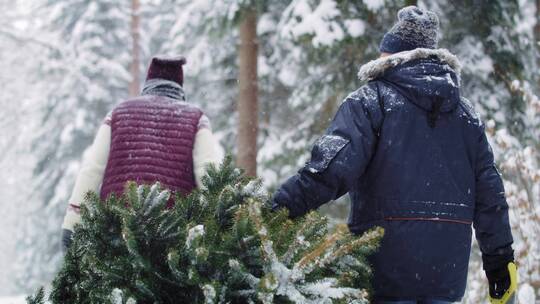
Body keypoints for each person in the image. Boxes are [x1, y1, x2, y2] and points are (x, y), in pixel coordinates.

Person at [272, 6, 516, 304]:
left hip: (383, 267)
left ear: (391, 56)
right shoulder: (465, 116)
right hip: (445, 274)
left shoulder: (371, 101)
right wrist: (500, 260)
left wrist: (277, 210)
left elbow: (330, 170)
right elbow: (490, 196)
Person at [61, 56, 222, 250]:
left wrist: (71, 224)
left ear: (148, 85)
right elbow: (210, 175)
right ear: (180, 89)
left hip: (117, 232)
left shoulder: (119, 112)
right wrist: (220, 232)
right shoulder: (196, 118)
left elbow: (92, 169)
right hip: (172, 238)